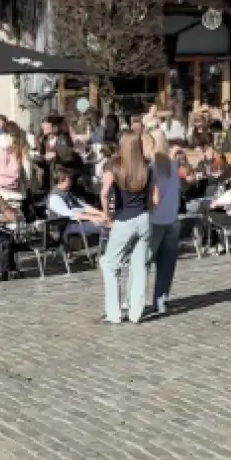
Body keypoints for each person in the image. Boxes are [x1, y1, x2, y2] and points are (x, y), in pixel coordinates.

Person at [100, 131, 156, 325]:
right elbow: (155, 198)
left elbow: (105, 193)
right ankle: (135, 312)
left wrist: (106, 214)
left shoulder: (114, 165)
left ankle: (114, 313)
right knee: (140, 267)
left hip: (124, 219)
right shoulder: (147, 166)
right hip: (144, 218)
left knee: (110, 264)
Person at [146, 129, 181, 315]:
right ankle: (161, 301)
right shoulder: (173, 166)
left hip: (155, 219)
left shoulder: (151, 166)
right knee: (166, 266)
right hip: (171, 218)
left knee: (144, 262)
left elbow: (152, 195)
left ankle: (134, 301)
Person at [48, 167, 107, 238]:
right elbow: (69, 214)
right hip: (66, 226)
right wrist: (91, 217)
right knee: (105, 225)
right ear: (60, 181)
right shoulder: (55, 197)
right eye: (69, 180)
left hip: (76, 221)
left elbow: (84, 207)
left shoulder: (68, 193)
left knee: (107, 220)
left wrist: (101, 213)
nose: (71, 182)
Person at [0, 123, 30, 205]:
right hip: (17, 192)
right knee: (15, 215)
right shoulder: (21, 145)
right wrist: (27, 186)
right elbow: (27, 170)